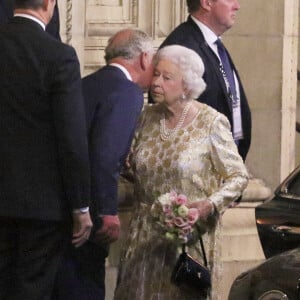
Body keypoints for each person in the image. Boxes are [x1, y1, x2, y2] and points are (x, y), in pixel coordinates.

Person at [114, 45, 249, 300]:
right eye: (156, 74)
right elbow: (133, 167)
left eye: (167, 77)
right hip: (144, 236)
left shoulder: (211, 122)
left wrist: (208, 206)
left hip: (189, 239)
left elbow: (238, 177)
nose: (156, 82)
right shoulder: (145, 117)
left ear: (187, 85)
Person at [52, 28, 155, 300]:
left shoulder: (87, 83)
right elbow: (105, 154)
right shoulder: (127, 91)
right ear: (144, 58)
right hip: (90, 213)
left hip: (60, 205)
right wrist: (108, 210)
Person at [0, 0, 92, 299]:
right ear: (50, 4)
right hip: (41, 206)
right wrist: (81, 206)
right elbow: (72, 138)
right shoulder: (59, 56)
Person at [158, 0, 251, 162]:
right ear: (207, 3)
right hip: (198, 171)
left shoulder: (213, 44)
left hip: (222, 165)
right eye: (230, 0)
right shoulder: (182, 46)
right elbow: (173, 118)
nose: (237, 6)